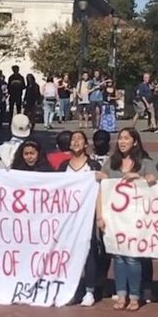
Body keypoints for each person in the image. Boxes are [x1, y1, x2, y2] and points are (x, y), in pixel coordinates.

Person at [96, 128, 158, 311]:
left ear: (135, 142)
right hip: (115, 219)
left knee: (132, 258)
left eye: (126, 138)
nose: (122, 142)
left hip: (136, 219)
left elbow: (155, 180)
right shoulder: (111, 163)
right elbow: (102, 189)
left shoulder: (145, 162)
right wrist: (99, 215)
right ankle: (121, 294)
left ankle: (135, 295)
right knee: (118, 257)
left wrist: (138, 176)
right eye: (120, 138)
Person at [58, 131, 103, 306]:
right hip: (68, 217)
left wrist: (99, 215)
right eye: (73, 139)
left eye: (80, 139)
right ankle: (72, 288)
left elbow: (101, 187)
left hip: (87, 216)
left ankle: (89, 290)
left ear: (86, 144)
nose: (76, 142)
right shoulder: (63, 166)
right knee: (68, 252)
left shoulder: (93, 166)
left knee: (90, 250)